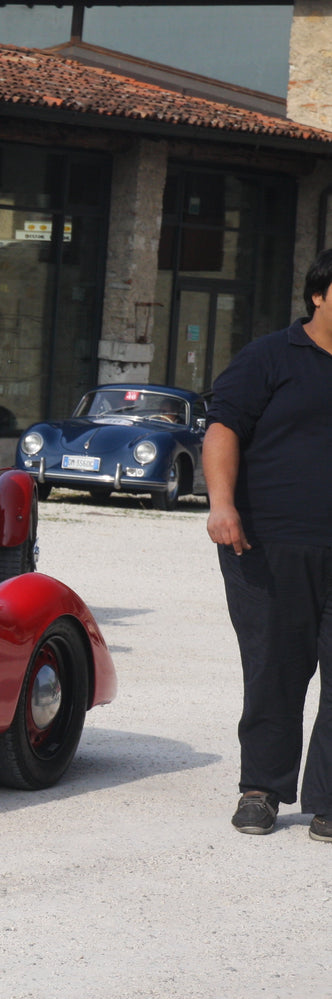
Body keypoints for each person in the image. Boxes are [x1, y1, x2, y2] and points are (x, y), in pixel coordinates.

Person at [206, 248, 332, 842]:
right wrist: (222, 504)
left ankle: (329, 802)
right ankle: (261, 787)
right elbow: (223, 428)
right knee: (275, 667)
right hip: (269, 542)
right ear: (319, 294)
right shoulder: (270, 357)